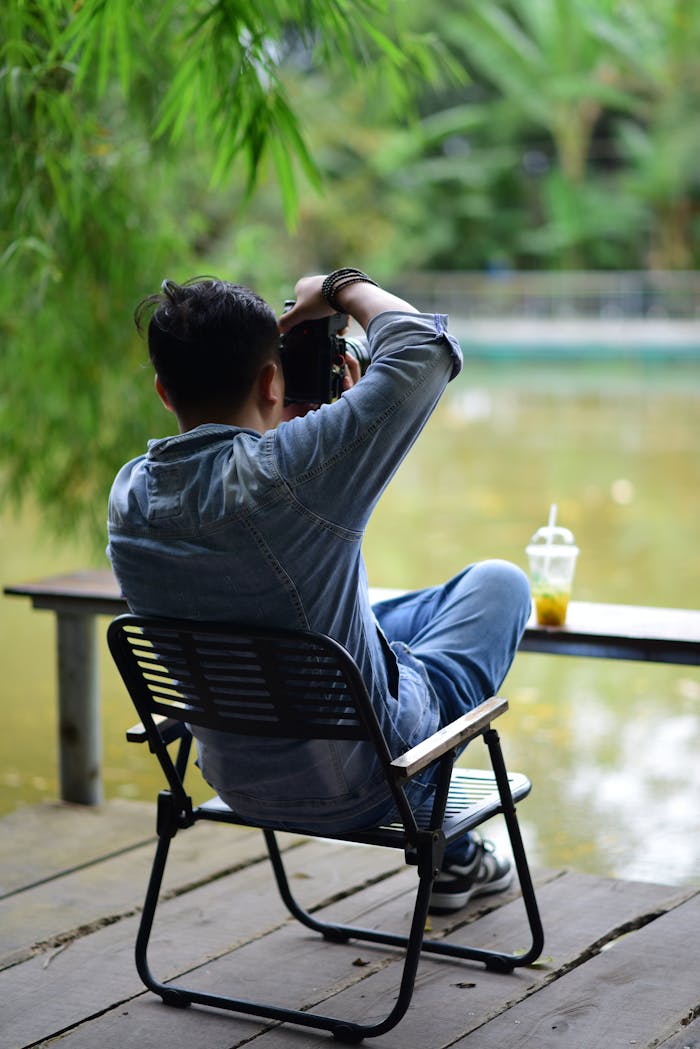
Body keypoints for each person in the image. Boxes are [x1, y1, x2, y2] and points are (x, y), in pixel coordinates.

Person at [107, 268, 532, 913]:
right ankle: (458, 855)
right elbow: (423, 348)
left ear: (165, 393)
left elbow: (241, 500)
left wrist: (288, 427)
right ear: (270, 381)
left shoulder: (129, 496)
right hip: (372, 785)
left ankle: (460, 859)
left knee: (363, 621)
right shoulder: (294, 470)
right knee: (499, 583)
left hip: (237, 782)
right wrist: (338, 287)